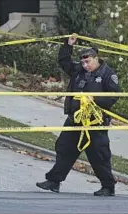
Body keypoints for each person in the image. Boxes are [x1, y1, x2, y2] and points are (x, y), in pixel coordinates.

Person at [36, 33, 120, 196]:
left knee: (99, 154)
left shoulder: (108, 75)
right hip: (75, 119)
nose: (85, 65)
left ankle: (108, 187)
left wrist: (94, 98)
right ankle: (54, 181)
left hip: (95, 122)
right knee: (65, 148)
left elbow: (113, 97)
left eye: (88, 61)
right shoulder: (78, 71)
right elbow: (64, 62)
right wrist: (68, 44)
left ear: (96, 58)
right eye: (82, 62)